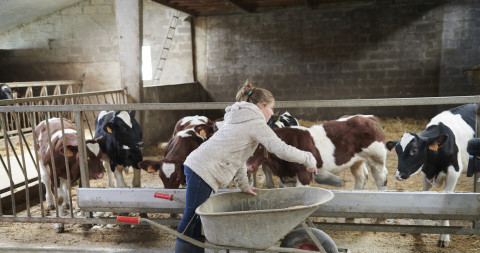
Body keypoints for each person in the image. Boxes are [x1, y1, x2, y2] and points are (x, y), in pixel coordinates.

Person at [174, 81, 318, 252]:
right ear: (261, 105)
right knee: (192, 217)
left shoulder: (239, 119)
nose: (272, 113)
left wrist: (244, 185)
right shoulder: (255, 123)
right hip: (202, 169)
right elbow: (280, 149)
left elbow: (238, 157)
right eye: (271, 108)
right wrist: (308, 158)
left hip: (200, 167)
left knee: (197, 218)